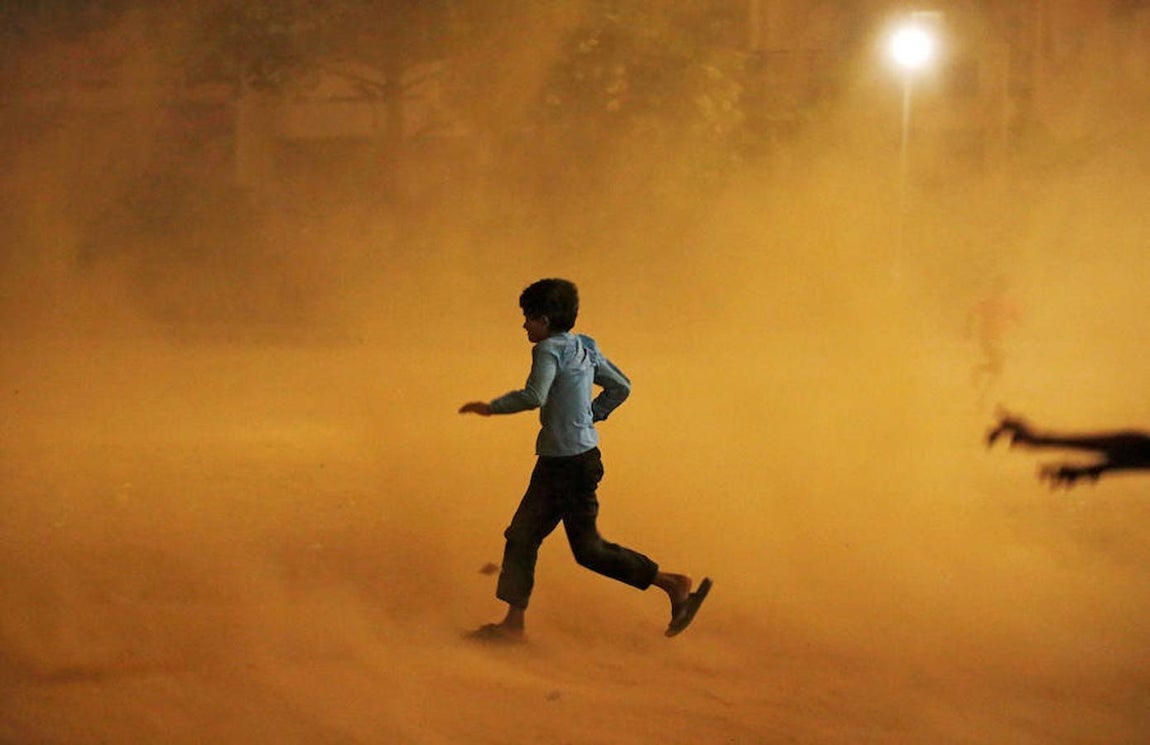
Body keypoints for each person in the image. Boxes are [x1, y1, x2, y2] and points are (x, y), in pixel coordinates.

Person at [459, 278, 710, 642]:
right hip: (573, 459)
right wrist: (591, 415)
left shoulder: (547, 350)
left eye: (528, 318)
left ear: (543, 320)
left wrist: (490, 408)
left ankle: (673, 584)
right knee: (523, 535)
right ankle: (513, 625)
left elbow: (534, 396)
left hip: (567, 466)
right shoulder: (585, 345)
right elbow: (621, 386)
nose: (524, 325)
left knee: (585, 549)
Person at [987, 411, 1150, 488]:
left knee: (1044, 441)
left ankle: (1028, 437)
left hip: (1134, 447)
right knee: (1044, 441)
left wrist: (1084, 472)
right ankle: (1028, 437)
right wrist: (1084, 472)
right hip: (1133, 447)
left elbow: (1130, 463)